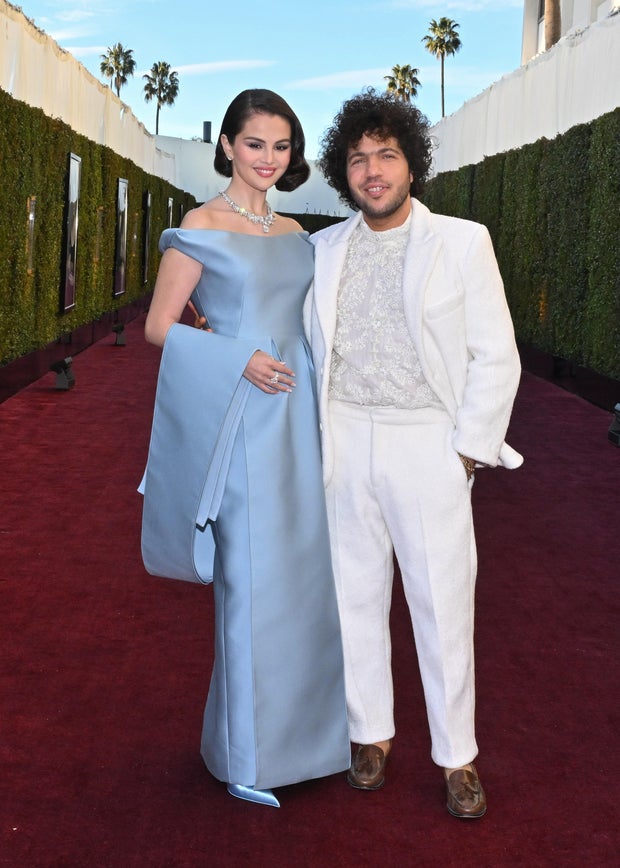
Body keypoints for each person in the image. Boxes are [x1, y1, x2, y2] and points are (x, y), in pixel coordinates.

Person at [304, 89, 523, 818]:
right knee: (353, 597)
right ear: (344, 172)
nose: (372, 171)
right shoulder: (321, 250)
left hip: (426, 441)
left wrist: (464, 453)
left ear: (411, 163)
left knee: (441, 604)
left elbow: (497, 356)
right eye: (358, 159)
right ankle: (369, 734)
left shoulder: (463, 241)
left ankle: (457, 755)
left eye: (385, 155)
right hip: (342, 437)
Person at [140, 89, 350, 808]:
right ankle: (245, 756)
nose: (268, 158)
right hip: (243, 417)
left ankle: (310, 745)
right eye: (255, 143)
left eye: (282, 146)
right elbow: (159, 328)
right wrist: (239, 358)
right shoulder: (200, 226)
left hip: (300, 421)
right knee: (249, 585)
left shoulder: (297, 233)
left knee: (303, 582)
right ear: (227, 144)